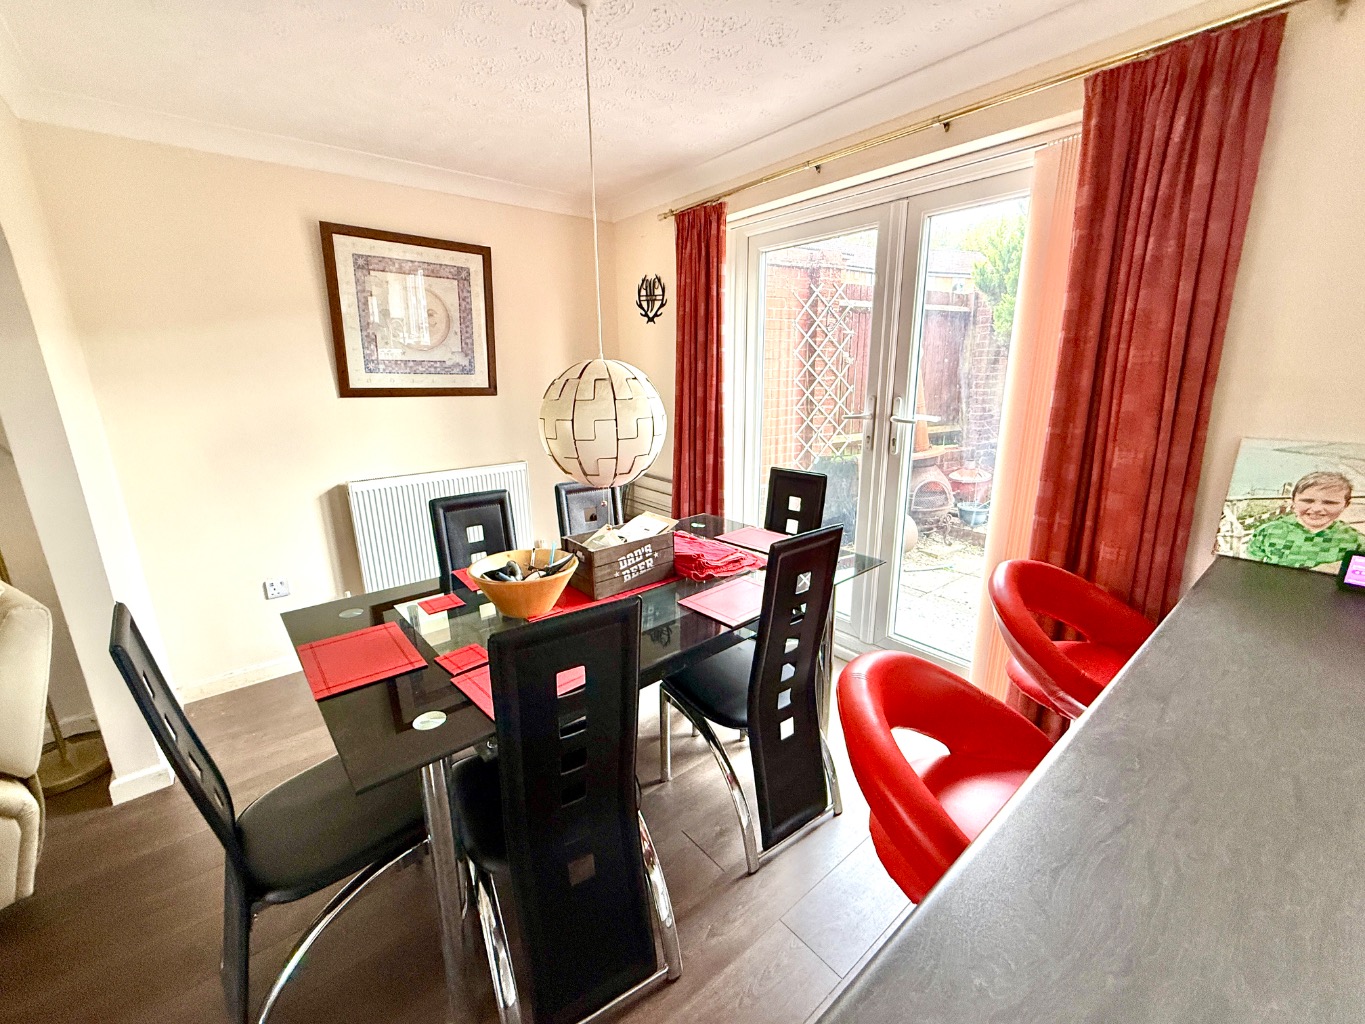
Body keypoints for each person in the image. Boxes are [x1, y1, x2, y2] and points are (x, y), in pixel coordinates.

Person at [1247, 471, 1365, 569]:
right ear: (1293, 501)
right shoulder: (1268, 531)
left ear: (1346, 505)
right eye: (1307, 501)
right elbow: (1250, 569)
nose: (1316, 509)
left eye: (1329, 503)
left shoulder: (1357, 542)